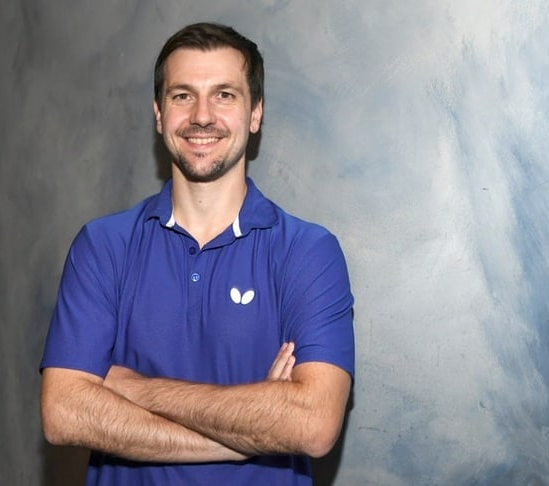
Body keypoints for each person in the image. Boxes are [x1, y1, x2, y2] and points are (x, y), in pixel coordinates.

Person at [40, 22, 355, 485]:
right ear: (158, 114)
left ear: (255, 113)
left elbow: (313, 424)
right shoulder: (104, 246)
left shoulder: (307, 253)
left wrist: (137, 389)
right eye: (182, 95)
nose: (202, 116)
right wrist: (247, 435)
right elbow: (64, 412)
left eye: (224, 95)